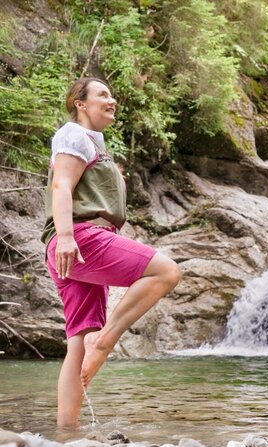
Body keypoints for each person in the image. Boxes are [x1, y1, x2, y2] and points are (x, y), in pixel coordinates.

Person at [42, 77, 180, 428]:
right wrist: (68, 236)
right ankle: (106, 341)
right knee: (166, 271)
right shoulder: (73, 135)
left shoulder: (94, 145)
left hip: (72, 246)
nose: (112, 99)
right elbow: (61, 185)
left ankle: (66, 434)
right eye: (102, 94)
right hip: (79, 239)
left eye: (112, 94)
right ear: (80, 103)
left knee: (77, 343)